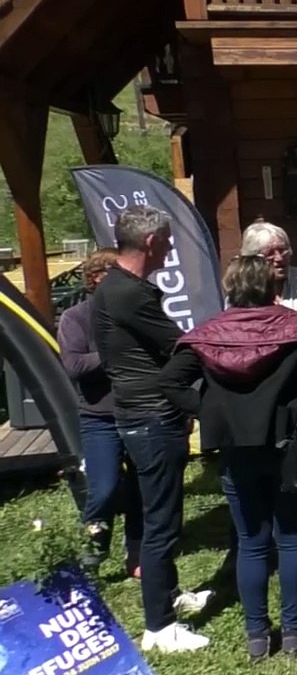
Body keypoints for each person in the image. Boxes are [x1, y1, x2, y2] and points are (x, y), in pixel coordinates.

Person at [157, 256, 297, 661]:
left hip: (237, 450)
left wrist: (207, 410)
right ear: (272, 288)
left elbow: (170, 380)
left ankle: (257, 636)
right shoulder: (292, 326)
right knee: (292, 538)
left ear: (229, 289)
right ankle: (294, 633)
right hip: (287, 444)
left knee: (252, 542)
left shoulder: (210, 333)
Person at [93, 205, 210, 652]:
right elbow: (179, 344)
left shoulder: (121, 287)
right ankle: (160, 627)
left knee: (161, 512)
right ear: (150, 242)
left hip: (146, 414)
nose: (171, 246)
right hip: (150, 418)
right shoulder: (128, 293)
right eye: (167, 239)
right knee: (162, 522)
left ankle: (169, 594)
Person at [240, 220, 297, 557]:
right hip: (262, 388)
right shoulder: (241, 289)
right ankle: (267, 527)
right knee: (269, 459)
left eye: (284, 250)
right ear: (251, 258)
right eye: (270, 253)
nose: (280, 258)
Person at [58, 248, 141, 579]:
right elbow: (75, 365)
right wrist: (115, 353)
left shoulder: (136, 310)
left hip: (140, 411)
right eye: (117, 273)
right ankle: (94, 550)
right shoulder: (75, 317)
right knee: (103, 488)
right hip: (99, 417)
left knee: (141, 487)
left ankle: (136, 551)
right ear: (96, 278)